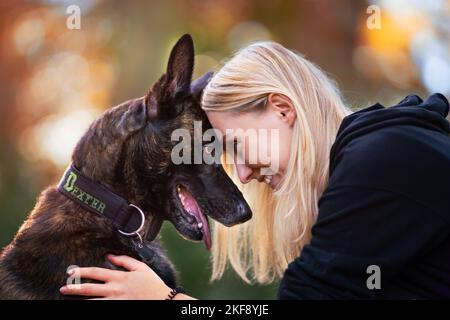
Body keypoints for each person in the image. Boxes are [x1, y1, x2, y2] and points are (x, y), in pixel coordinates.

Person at [60, 41, 450, 299]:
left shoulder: (380, 162)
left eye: (235, 146)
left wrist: (167, 300)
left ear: (282, 109)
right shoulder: (381, 155)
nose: (242, 175)